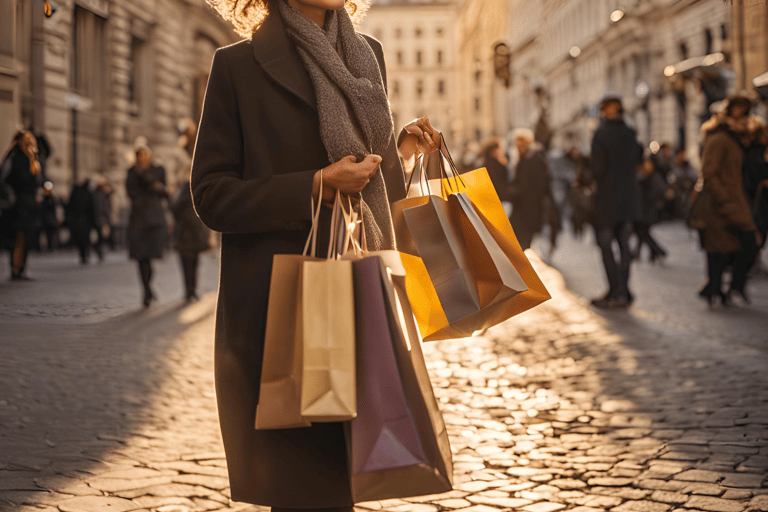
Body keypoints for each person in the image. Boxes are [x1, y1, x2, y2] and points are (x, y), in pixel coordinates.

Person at [192, 0, 442, 509]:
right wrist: (312, 186)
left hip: (360, 294)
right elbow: (212, 195)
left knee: (343, 482)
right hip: (284, 309)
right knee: (303, 485)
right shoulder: (236, 65)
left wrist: (403, 150)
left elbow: (375, 183)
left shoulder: (366, 54)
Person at [697, 95, 760, 306]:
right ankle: (720, 288)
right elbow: (709, 172)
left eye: (745, 112)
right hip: (721, 204)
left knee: (734, 247)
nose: (742, 117)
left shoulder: (740, 138)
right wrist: (724, 199)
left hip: (735, 201)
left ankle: (721, 288)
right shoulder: (720, 138)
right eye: (738, 111)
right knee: (729, 247)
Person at [589, 95, 643, 308]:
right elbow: (639, 160)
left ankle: (615, 290)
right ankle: (623, 291)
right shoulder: (630, 133)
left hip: (606, 201)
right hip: (628, 200)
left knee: (606, 246)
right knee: (624, 247)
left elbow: (597, 169)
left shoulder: (600, 134)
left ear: (604, 111)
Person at [126, 144, 168, 307]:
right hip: (138, 219)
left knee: (151, 256)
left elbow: (162, 190)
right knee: (140, 257)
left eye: (145, 155)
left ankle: (148, 287)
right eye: (139, 155)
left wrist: (144, 175)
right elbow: (130, 192)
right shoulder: (132, 172)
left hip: (155, 220)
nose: (143, 158)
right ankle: (146, 290)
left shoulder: (158, 170)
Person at [0, 130, 43, 280]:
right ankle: (16, 268)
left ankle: (21, 268)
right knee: (17, 237)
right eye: (27, 139)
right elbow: (4, 178)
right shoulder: (13, 156)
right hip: (17, 204)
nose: (30, 141)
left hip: (29, 203)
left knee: (27, 237)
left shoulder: (31, 157)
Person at [508, 128, 551, 251]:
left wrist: (514, 192)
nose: (518, 145)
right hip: (522, 208)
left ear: (528, 142)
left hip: (530, 208)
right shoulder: (524, 157)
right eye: (517, 142)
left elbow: (536, 186)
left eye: (522, 141)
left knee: (523, 244)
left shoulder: (534, 158)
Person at [171, 181, 210, 302]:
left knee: (186, 264)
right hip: (195, 233)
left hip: (184, 234)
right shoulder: (197, 192)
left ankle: (189, 290)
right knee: (194, 263)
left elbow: (174, 210)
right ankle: (192, 290)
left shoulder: (182, 195)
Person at [634, 157, 668, 263]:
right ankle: (650, 254)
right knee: (642, 233)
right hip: (642, 209)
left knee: (643, 233)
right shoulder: (643, 175)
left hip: (648, 210)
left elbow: (660, 191)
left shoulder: (653, 177)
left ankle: (658, 251)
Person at [65, 179, 97, 264]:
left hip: (77, 219)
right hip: (85, 219)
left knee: (80, 239)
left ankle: (82, 255)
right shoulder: (88, 193)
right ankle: (86, 254)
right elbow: (92, 208)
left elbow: (69, 207)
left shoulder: (75, 193)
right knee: (85, 238)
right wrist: (94, 222)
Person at [93, 175, 114, 259]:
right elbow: (102, 207)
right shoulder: (99, 194)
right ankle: (99, 250)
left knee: (102, 236)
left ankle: (99, 250)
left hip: (102, 218)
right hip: (101, 218)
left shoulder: (104, 194)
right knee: (101, 236)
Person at [40, 181, 61, 251]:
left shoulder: (52, 198)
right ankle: (49, 247)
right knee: (48, 234)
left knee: (52, 234)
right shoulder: (44, 198)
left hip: (51, 220)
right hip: (47, 219)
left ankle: (52, 247)